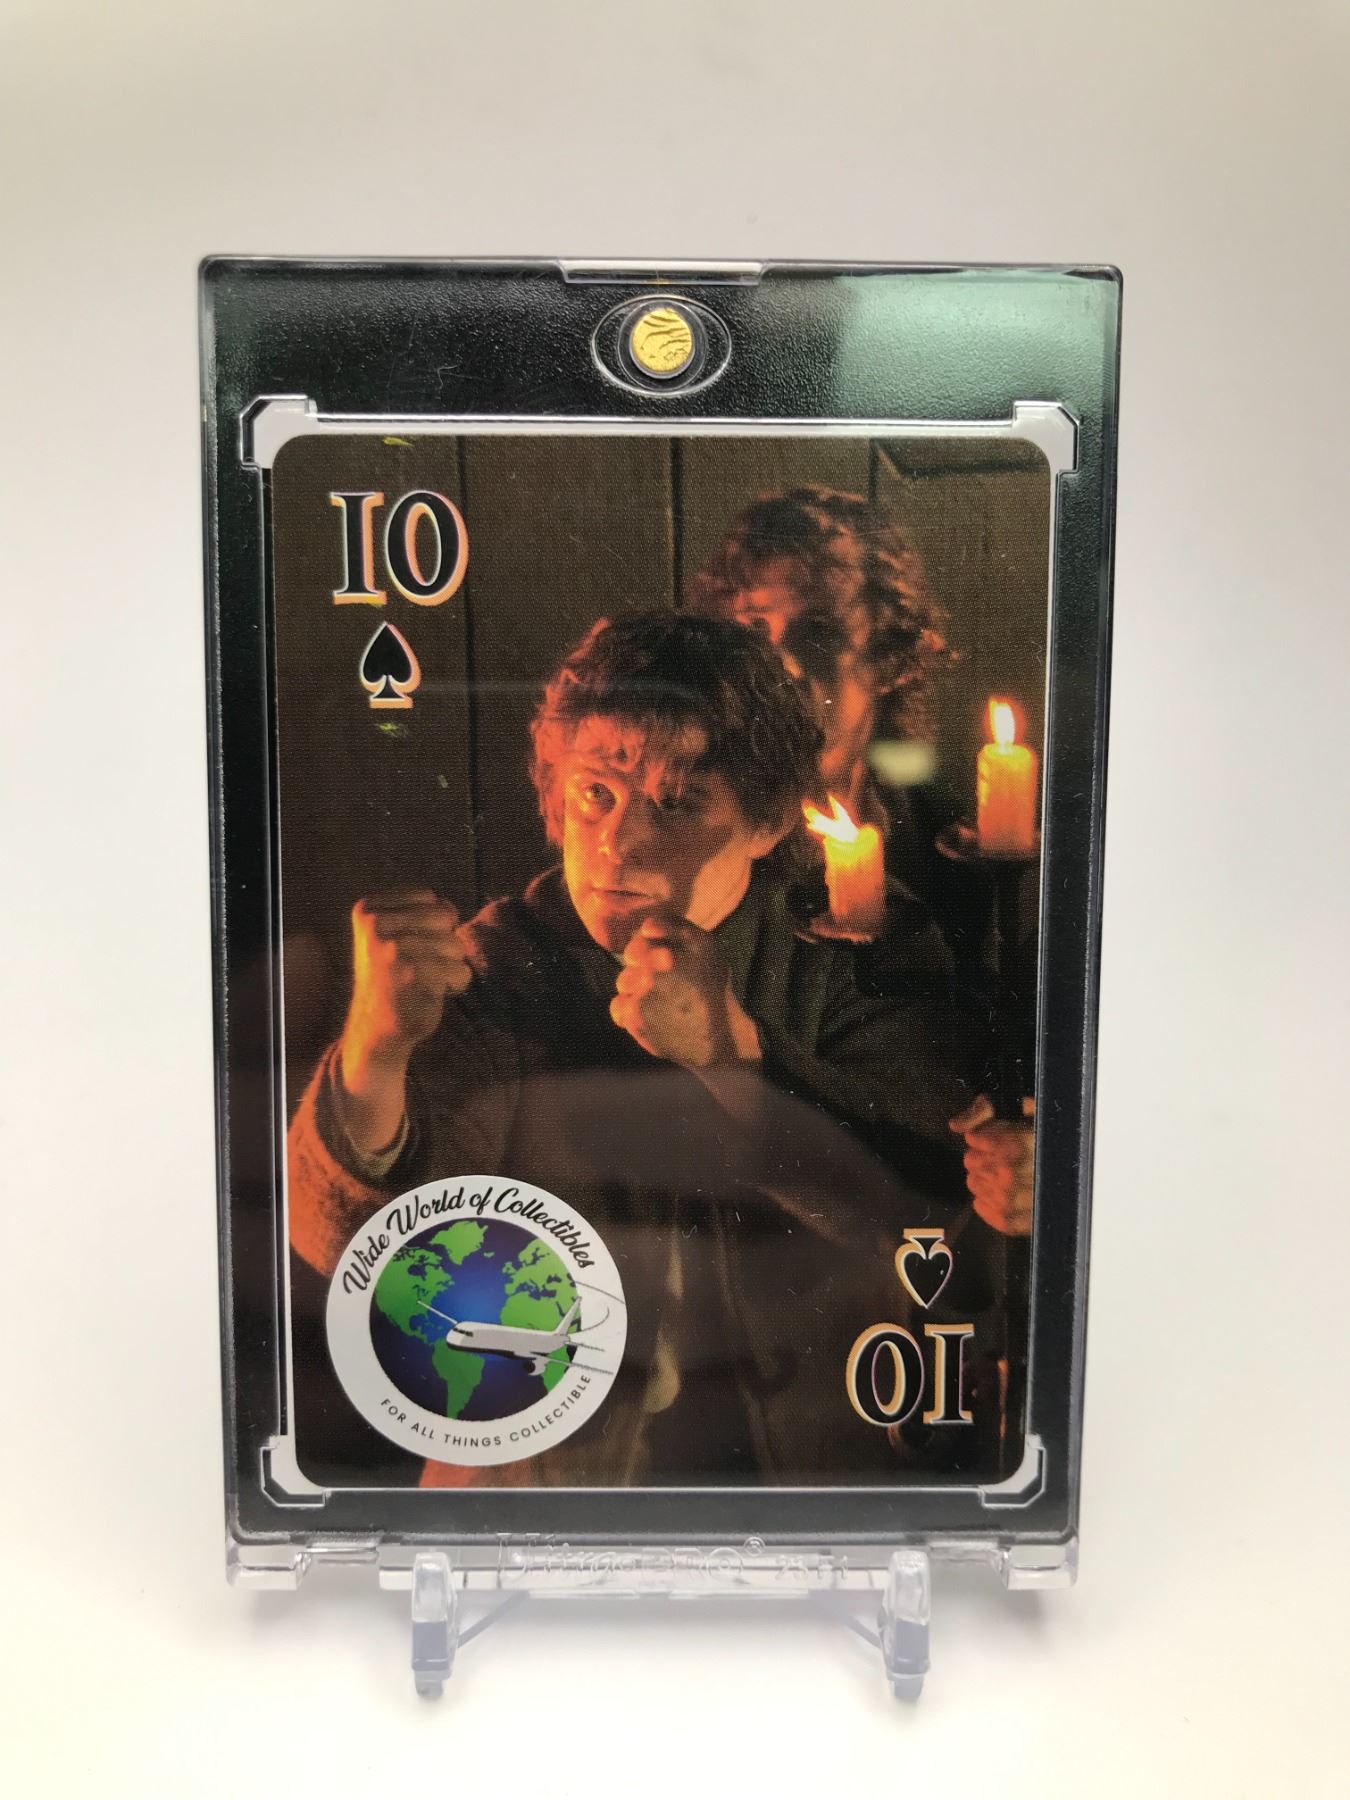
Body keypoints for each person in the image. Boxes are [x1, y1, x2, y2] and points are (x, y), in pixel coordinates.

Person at [288, 612, 1030, 1489]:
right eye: (595, 794)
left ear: (767, 821)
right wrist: (375, 1055)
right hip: (548, 1499)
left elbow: (921, 1215)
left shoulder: (857, 947)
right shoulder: (498, 964)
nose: (617, 844)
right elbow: (361, 1252)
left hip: (822, 1486)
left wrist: (732, 1058)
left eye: (677, 803)